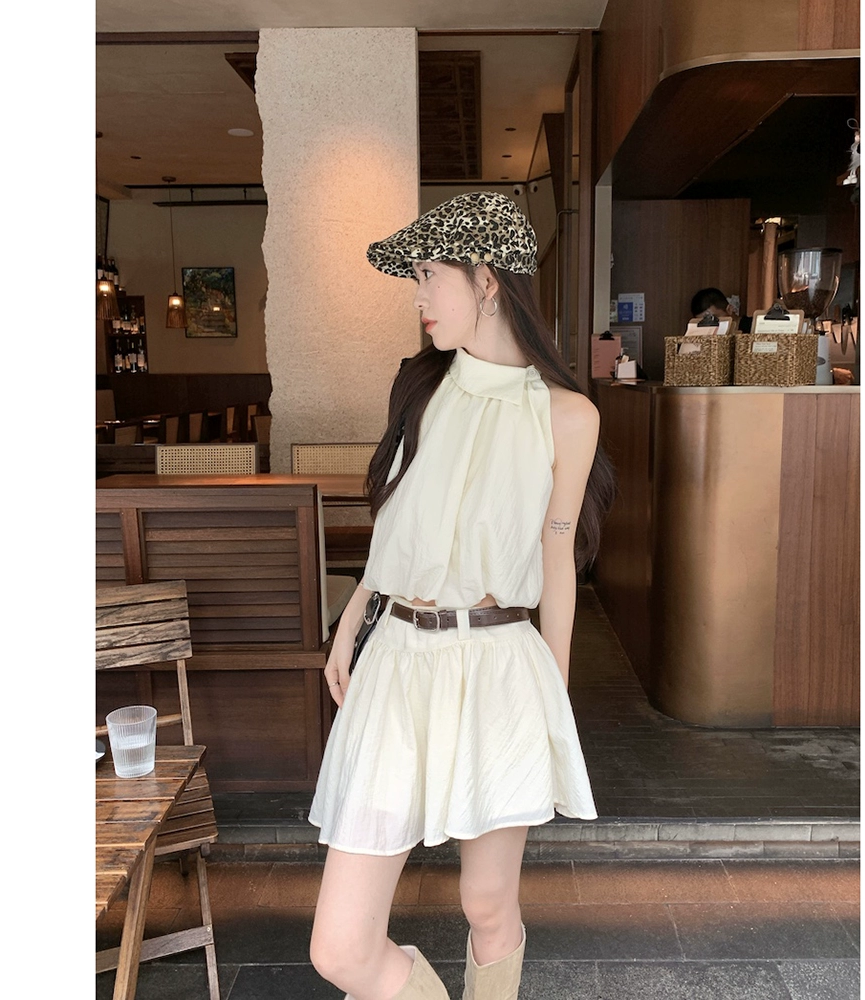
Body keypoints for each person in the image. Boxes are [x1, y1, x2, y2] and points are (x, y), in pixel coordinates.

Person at [307, 191, 617, 1000]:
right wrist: (350, 624)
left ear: (486, 279)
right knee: (340, 949)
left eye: (427, 275)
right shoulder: (420, 392)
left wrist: (553, 692)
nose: (417, 297)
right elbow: (398, 526)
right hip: (397, 662)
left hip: (498, 665)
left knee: (487, 903)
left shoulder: (568, 416)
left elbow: (557, 558)